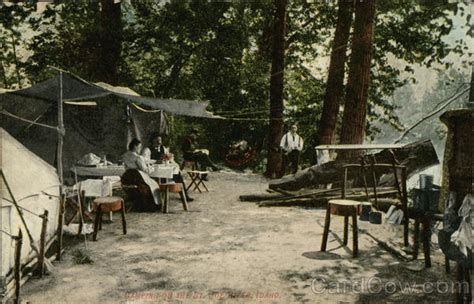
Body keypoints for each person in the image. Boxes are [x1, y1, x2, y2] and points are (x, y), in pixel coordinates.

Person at [142, 135, 194, 202]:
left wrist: (172, 161)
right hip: (153, 171)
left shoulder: (163, 148)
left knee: (178, 176)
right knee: (170, 177)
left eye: (160, 140)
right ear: (153, 140)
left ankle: (184, 196)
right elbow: (145, 160)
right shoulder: (147, 149)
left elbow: (169, 157)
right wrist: (156, 161)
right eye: (157, 140)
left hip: (163, 170)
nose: (159, 142)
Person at [123, 138, 160, 206]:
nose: (140, 149)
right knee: (154, 184)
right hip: (137, 179)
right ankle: (153, 205)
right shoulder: (138, 157)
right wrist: (151, 168)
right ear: (135, 146)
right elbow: (145, 170)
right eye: (139, 147)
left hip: (127, 178)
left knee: (151, 183)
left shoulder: (125, 155)